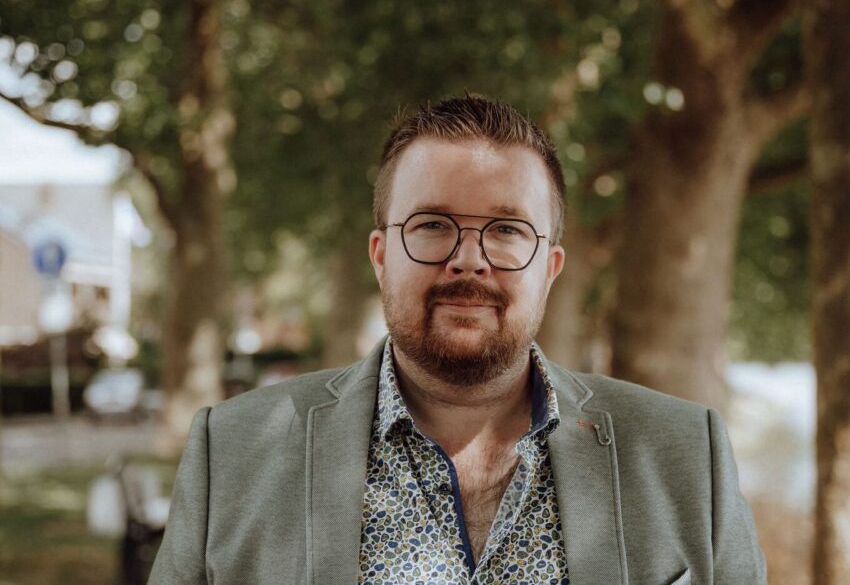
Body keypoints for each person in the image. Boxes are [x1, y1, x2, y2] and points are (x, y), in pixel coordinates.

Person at [149, 96, 766, 584]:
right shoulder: (232, 453)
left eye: (507, 230)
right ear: (380, 256)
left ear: (550, 269)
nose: (469, 259)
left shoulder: (686, 454)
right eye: (433, 224)